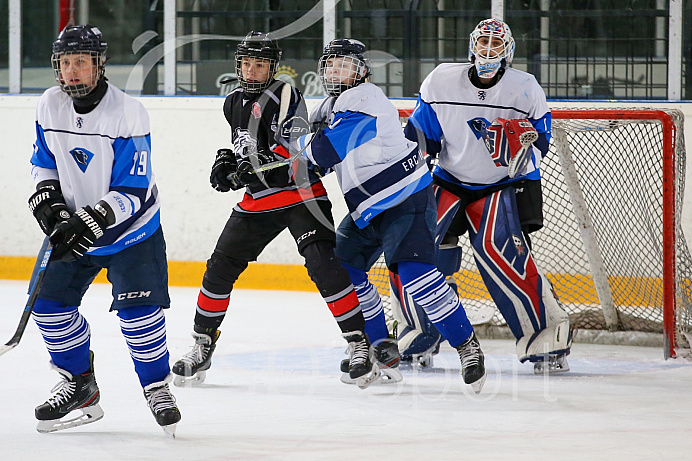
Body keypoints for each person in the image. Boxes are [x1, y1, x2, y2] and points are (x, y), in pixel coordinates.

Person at [281, 38, 487, 393]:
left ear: (361, 71)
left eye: (344, 65)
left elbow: (325, 150)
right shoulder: (328, 106)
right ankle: (379, 346)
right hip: (366, 210)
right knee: (341, 270)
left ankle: (468, 347)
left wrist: (288, 149)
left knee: (416, 276)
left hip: (405, 200)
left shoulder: (367, 98)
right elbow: (308, 157)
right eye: (330, 65)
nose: (336, 71)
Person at [171, 32, 374, 387]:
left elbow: (294, 149)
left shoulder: (285, 93)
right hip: (259, 200)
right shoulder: (232, 101)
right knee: (219, 267)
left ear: (273, 67)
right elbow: (245, 146)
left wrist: (253, 166)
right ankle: (202, 344)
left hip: (301, 194)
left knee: (324, 265)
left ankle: (359, 343)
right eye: (246, 63)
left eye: (259, 64)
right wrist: (227, 165)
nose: (251, 70)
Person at [27, 25, 180, 435]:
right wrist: (50, 201)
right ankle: (80, 386)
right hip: (76, 230)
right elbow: (44, 161)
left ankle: (156, 387)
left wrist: (92, 218)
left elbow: (132, 189)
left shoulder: (128, 112)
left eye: (81, 62)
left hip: (133, 232)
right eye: (65, 63)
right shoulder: (49, 104)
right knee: (47, 307)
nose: (72, 71)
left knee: (138, 315)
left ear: (99, 65)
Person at [400, 18, 573, 373]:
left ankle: (547, 337)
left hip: (500, 185)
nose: (488, 51)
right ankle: (419, 333)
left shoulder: (525, 88)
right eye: (483, 43)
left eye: (496, 45)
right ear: (471, 47)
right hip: (447, 179)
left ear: (507, 51)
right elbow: (421, 135)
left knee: (503, 255)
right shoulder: (442, 80)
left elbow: (541, 137)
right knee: (418, 249)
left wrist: (522, 155)